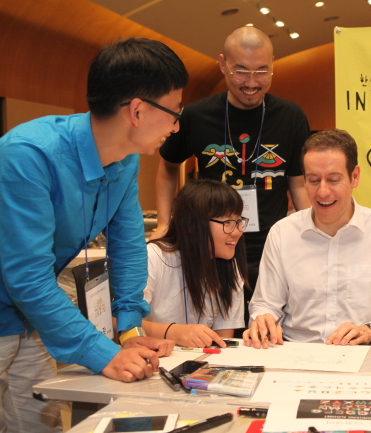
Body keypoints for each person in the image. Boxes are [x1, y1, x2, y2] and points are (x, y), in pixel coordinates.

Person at [0, 38, 185, 432]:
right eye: (174, 111)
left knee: (39, 424)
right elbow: (27, 276)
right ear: (137, 110)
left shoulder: (125, 160)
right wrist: (102, 353)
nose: (176, 125)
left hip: (29, 321)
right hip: (16, 305)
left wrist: (130, 328)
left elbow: (129, 243)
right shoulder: (28, 155)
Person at [154, 26, 311, 328]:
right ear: (223, 64)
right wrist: (164, 222)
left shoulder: (291, 116)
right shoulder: (196, 115)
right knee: (221, 333)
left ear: (272, 66)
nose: (251, 83)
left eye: (262, 72)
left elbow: (298, 184)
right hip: (210, 249)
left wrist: (310, 235)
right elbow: (167, 167)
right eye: (241, 71)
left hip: (272, 248)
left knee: (272, 331)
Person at [243, 129, 371, 349]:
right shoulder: (282, 233)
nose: (322, 192)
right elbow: (265, 303)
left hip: (361, 353)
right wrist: (263, 319)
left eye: (333, 180)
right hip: (295, 351)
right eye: (313, 180)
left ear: (355, 177)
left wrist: (370, 330)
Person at [143, 179, 248, 347]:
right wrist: (173, 332)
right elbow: (116, 322)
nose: (236, 232)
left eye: (238, 222)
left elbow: (222, 343)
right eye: (227, 223)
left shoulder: (230, 267)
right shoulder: (153, 258)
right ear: (193, 224)